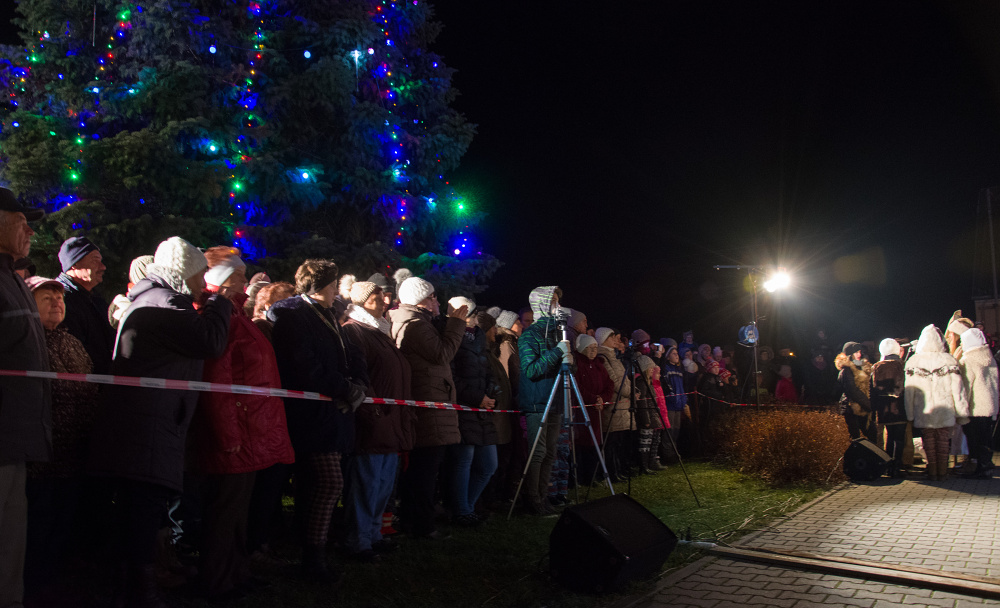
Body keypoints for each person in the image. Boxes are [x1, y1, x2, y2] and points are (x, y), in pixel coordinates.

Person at [88, 236, 232, 607]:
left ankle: (133, 583)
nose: (202, 283)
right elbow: (210, 341)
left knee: (141, 507)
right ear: (183, 273)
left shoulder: (153, 299)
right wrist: (220, 300)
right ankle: (141, 590)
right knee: (142, 510)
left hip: (148, 422)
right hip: (147, 426)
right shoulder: (166, 303)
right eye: (199, 275)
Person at [189, 247, 294, 599]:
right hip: (236, 432)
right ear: (221, 280)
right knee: (224, 509)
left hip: (251, 429)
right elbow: (217, 381)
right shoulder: (219, 317)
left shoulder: (235, 315)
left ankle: (237, 572)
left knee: (239, 509)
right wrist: (227, 433)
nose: (244, 281)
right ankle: (217, 579)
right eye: (237, 276)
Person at [267, 259, 368, 582]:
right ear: (321, 284)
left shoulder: (329, 316)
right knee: (329, 482)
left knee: (316, 486)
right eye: (333, 282)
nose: (337, 288)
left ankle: (312, 554)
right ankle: (313, 557)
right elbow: (304, 365)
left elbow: (351, 356)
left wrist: (358, 385)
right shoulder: (295, 318)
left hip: (332, 414)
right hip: (309, 415)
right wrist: (343, 388)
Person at [22, 276, 99, 601]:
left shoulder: (71, 342)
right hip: (40, 459)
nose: (57, 303)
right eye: (47, 298)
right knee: (39, 524)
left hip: (73, 454)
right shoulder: (27, 343)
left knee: (64, 522)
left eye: (60, 298)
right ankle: (34, 585)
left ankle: (56, 578)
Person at [0, 188, 51, 608]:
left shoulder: (11, 279)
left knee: (10, 544)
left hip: (14, 441)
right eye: (22, 222)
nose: (31, 231)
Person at [340, 280, 415, 560]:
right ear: (361, 302)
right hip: (372, 423)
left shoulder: (381, 332)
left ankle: (373, 535)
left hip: (390, 421)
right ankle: (357, 540)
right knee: (365, 484)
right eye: (375, 298)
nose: (384, 302)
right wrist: (374, 414)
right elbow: (360, 375)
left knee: (382, 485)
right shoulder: (354, 330)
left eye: (384, 297)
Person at [388, 276, 466, 538]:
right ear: (422, 300)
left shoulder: (418, 322)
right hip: (428, 406)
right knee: (425, 469)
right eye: (433, 297)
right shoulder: (416, 325)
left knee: (424, 467)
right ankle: (422, 524)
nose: (437, 302)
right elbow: (442, 354)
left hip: (431, 403)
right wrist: (456, 324)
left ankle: (415, 519)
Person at [518, 286, 570, 514]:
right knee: (538, 453)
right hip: (538, 401)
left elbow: (565, 369)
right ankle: (532, 499)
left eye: (558, 301)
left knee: (550, 452)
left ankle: (543, 496)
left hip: (555, 400)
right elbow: (530, 370)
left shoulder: (557, 334)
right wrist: (557, 352)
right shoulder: (530, 335)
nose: (558, 306)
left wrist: (569, 360)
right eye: (553, 301)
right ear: (541, 304)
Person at [448, 309, 499, 525]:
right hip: (464, 409)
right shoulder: (452, 337)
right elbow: (452, 378)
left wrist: (491, 394)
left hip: (482, 410)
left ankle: (466, 507)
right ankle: (462, 511)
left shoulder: (479, 339)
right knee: (464, 461)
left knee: (489, 465)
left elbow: (488, 372)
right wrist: (477, 398)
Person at [904, 325, 970, 481]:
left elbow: (909, 392)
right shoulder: (949, 360)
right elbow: (958, 389)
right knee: (943, 441)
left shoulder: (914, 361)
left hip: (924, 410)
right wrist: (961, 412)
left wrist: (910, 414)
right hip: (945, 410)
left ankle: (932, 472)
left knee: (928, 442)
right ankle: (943, 472)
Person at [56, 237, 115, 374]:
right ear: (74, 264)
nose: (103, 267)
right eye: (95, 260)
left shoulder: (94, 298)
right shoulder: (61, 300)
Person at [956, 328, 998, 478]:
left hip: (974, 407)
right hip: (989, 406)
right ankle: (986, 465)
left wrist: (962, 408)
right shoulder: (990, 358)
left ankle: (980, 468)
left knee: (974, 439)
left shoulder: (967, 360)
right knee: (986, 438)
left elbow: (966, 387)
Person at [594, 327, 633, 482]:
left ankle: (618, 470)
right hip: (614, 405)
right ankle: (612, 472)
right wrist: (629, 392)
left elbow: (624, 378)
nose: (616, 340)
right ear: (604, 339)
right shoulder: (603, 357)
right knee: (611, 442)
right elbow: (614, 381)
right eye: (613, 338)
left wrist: (632, 390)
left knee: (618, 442)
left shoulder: (613, 356)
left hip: (622, 404)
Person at [572, 334, 612, 482]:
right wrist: (593, 399)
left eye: (595, 347)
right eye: (590, 348)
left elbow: (609, 384)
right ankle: (581, 476)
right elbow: (576, 386)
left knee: (594, 444)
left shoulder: (598, 365)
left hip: (597, 411)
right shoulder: (577, 364)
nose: (594, 351)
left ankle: (593, 475)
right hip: (582, 411)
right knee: (582, 444)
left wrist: (603, 399)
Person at [872, 338, 907, 477]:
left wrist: (875, 407)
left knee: (890, 437)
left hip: (884, 408)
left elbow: (873, 390)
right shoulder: (901, 365)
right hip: (899, 407)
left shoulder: (877, 367)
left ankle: (888, 465)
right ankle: (896, 467)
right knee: (899, 438)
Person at [835, 342, 875, 444]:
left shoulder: (862, 367)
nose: (859, 355)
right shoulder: (846, 370)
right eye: (856, 352)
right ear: (850, 354)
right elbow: (852, 391)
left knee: (872, 435)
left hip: (863, 407)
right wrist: (869, 405)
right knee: (856, 439)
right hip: (851, 408)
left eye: (860, 352)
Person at [634, 356, 665, 474]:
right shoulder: (642, 382)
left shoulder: (648, 382)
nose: (652, 369)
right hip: (646, 418)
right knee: (644, 443)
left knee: (648, 442)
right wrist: (646, 420)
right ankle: (644, 466)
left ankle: (647, 465)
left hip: (651, 416)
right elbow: (643, 402)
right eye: (650, 367)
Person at [659, 346, 688, 464]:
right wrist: (672, 397)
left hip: (678, 405)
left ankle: (674, 453)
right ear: (668, 356)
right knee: (669, 431)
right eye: (674, 354)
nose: (677, 356)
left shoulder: (679, 370)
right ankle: (667, 455)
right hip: (670, 405)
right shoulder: (666, 369)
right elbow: (667, 386)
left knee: (676, 430)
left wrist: (683, 400)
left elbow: (682, 387)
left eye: (677, 354)